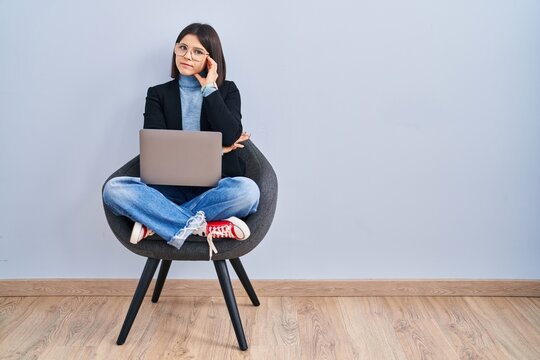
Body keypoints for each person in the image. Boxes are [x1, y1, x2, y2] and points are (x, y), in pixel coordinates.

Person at [102, 23, 260, 259]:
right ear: (175, 50)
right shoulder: (157, 94)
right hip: (168, 191)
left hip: (216, 190)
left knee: (248, 191)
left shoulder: (227, 91)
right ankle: (204, 228)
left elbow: (230, 134)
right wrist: (216, 151)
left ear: (211, 60)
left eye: (198, 52)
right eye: (183, 47)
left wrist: (210, 90)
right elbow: (158, 149)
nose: (187, 56)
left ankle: (156, 224)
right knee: (113, 190)